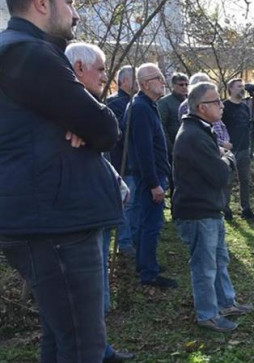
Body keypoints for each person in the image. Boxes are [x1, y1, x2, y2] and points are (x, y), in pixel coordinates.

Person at [0, 1, 122, 361]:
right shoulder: (30, 54)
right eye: (68, 2)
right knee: (84, 348)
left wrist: (74, 121)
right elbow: (105, 128)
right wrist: (81, 121)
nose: (76, 13)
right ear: (41, 3)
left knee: (59, 335)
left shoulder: (12, 51)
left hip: (40, 219)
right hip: (58, 225)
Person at [65, 42, 135, 363]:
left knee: (93, 293)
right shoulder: (63, 107)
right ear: (79, 68)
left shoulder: (87, 106)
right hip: (76, 217)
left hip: (95, 209)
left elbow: (108, 134)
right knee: (79, 298)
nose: (104, 76)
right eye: (101, 69)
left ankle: (100, 348)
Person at [173, 81, 253, 332]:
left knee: (219, 259)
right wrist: (228, 157)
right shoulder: (193, 135)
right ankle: (207, 314)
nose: (221, 105)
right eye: (215, 101)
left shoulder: (201, 129)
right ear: (201, 107)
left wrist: (222, 155)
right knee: (204, 266)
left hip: (209, 208)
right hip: (197, 211)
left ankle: (226, 302)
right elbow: (220, 174)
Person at [129, 63, 177, 288]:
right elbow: (143, 150)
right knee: (151, 224)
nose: (163, 81)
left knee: (147, 222)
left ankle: (145, 263)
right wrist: (154, 184)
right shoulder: (139, 107)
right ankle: (148, 273)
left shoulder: (148, 105)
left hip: (155, 175)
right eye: (158, 78)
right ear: (146, 84)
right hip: (151, 177)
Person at [106, 65, 138, 258]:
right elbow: (117, 134)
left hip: (134, 163)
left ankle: (131, 239)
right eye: (135, 79)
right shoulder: (115, 103)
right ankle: (124, 243)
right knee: (127, 203)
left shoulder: (135, 101)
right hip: (122, 162)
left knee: (134, 205)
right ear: (124, 81)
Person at [222, 78, 254, 221]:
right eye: (238, 86)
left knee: (245, 180)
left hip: (244, 148)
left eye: (242, 86)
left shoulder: (244, 107)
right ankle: (225, 208)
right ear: (230, 89)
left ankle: (246, 208)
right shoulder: (225, 106)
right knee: (228, 180)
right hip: (230, 150)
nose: (241, 89)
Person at [157, 72, 188, 199]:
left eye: (186, 84)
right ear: (174, 85)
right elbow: (161, 127)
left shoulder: (189, 101)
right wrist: (170, 148)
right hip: (172, 149)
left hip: (189, 148)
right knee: (175, 183)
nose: (184, 87)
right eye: (181, 84)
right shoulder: (165, 102)